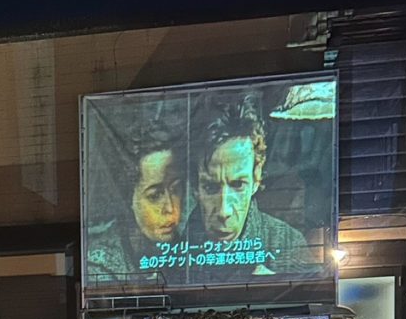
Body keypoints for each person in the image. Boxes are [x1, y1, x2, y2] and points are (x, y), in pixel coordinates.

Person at [187, 94, 310, 276]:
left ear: (256, 177)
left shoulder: (288, 244)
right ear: (194, 187)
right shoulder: (173, 248)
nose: (224, 211)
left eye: (238, 185)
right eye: (211, 188)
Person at [84, 119, 187, 284]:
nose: (170, 207)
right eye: (155, 196)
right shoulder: (99, 264)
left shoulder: (193, 246)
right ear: (129, 198)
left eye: (175, 190)